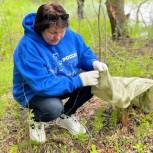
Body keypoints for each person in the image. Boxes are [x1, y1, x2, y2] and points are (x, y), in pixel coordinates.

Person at [13, 3, 108, 143]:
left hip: (60, 80)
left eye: (62, 32)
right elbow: (42, 85)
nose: (58, 37)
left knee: (94, 77)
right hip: (33, 91)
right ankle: (36, 120)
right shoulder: (27, 47)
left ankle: (66, 116)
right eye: (52, 33)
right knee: (53, 108)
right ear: (40, 28)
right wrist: (79, 80)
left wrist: (93, 62)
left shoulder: (69, 35)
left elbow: (83, 54)